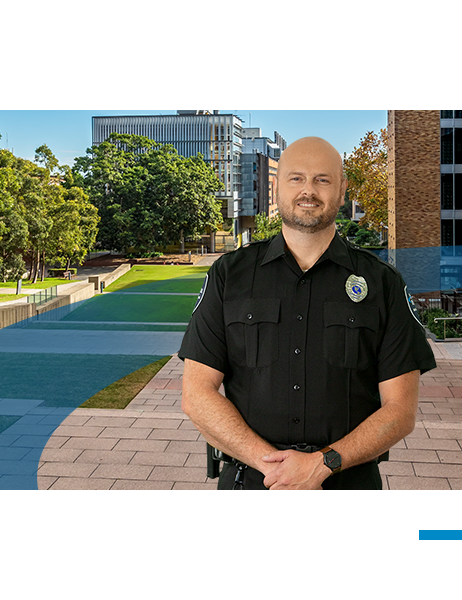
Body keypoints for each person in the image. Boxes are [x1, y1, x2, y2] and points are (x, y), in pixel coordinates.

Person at [178, 136, 437, 490]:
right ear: (277, 187)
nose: (308, 191)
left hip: (348, 485)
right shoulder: (229, 275)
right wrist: (272, 466)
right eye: (296, 178)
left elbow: (400, 411)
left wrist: (322, 464)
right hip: (251, 483)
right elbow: (197, 395)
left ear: (342, 190)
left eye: (323, 179)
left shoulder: (382, 283)